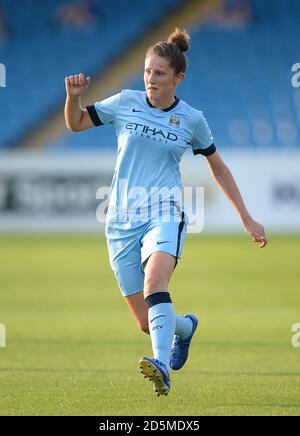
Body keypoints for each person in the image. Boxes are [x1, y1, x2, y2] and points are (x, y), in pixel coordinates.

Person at [64, 28, 267, 397]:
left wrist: (246, 217)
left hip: (164, 211)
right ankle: (186, 328)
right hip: (120, 221)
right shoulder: (124, 101)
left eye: (159, 73)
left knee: (155, 282)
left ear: (178, 78)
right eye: (146, 72)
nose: (151, 79)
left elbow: (217, 166)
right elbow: (75, 123)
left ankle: (161, 367)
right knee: (146, 321)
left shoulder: (192, 119)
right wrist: (72, 98)